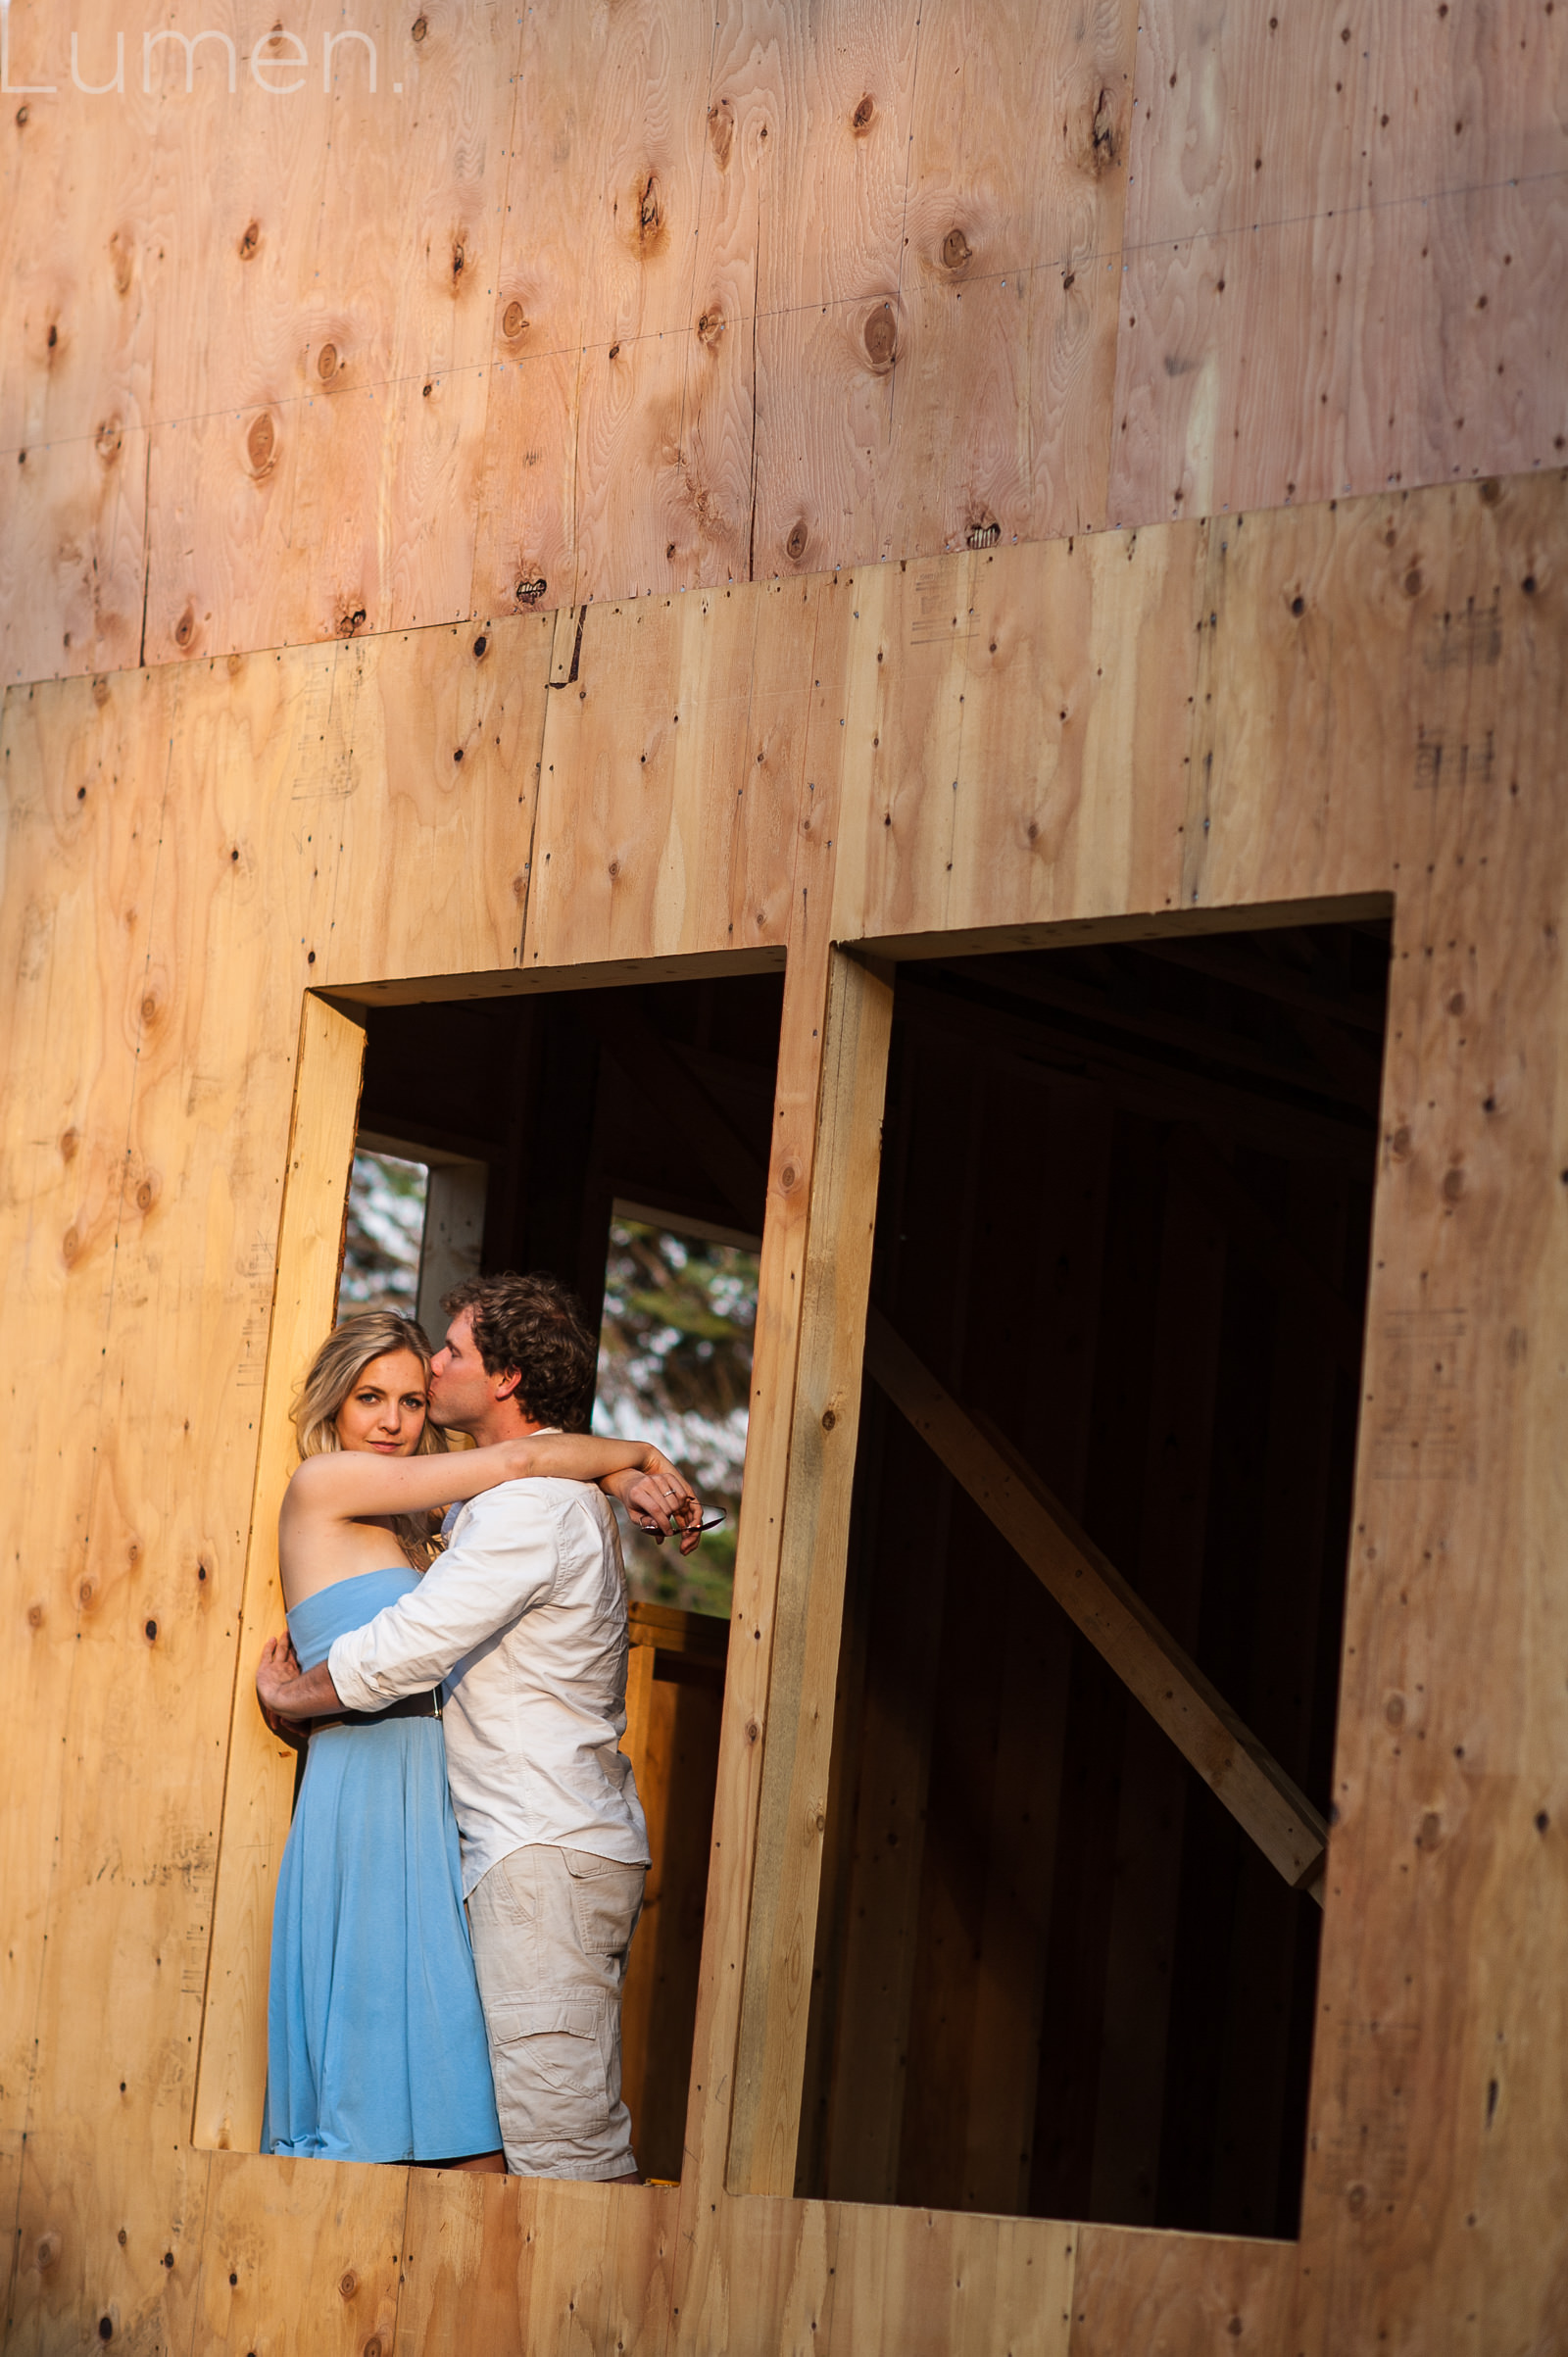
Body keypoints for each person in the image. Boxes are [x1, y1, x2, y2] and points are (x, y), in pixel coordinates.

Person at [258, 1272, 702, 2184]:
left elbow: (411, 1640)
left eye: (430, 1377)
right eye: (371, 1394)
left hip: (527, 1845)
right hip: (458, 1831)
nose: (409, 1396)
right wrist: (623, 1462)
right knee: (504, 2139)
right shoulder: (431, 1504)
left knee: (552, 2149)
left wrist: (294, 1698)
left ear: (500, 1380)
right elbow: (515, 1467)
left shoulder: (500, 1509)